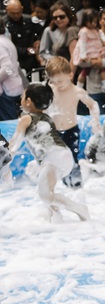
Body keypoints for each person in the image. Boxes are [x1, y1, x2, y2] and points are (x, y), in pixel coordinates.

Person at [7, 83, 90, 221]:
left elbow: (14, 144)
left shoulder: (26, 119)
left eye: (22, 96)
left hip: (52, 158)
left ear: (28, 101)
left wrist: (5, 159)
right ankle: (55, 217)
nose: (21, 99)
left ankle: (79, 209)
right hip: (64, 157)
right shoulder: (47, 118)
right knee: (48, 193)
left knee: (45, 195)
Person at [45, 57, 101, 189]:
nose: (57, 84)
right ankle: (60, 187)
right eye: (53, 81)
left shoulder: (77, 92)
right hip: (54, 132)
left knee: (72, 159)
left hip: (71, 131)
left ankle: (77, 187)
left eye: (60, 81)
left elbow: (93, 105)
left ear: (70, 75)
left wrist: (95, 121)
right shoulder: (50, 89)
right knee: (55, 160)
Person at [38, 3, 79, 69]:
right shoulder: (49, 31)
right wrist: (56, 60)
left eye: (62, 17)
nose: (58, 19)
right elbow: (43, 52)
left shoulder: (74, 30)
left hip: (75, 66)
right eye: (55, 18)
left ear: (69, 16)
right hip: (57, 67)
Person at [0, 22, 23, 121]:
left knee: (8, 125)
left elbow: (7, 68)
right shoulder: (5, 41)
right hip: (12, 88)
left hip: (6, 91)